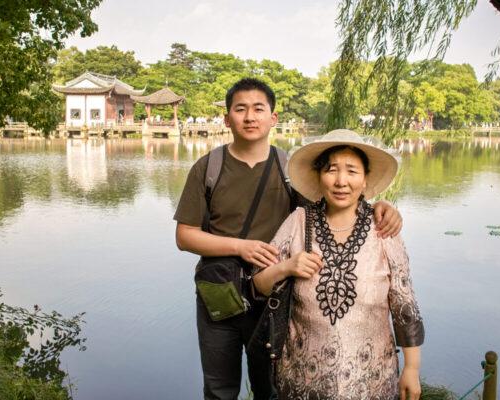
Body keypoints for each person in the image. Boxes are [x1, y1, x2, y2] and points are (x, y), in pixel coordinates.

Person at [174, 79, 404, 400]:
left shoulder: (288, 170)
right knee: (219, 389)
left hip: (275, 299)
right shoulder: (208, 167)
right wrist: (242, 246)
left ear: (274, 117)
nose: (250, 117)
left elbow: (331, 208)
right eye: (240, 109)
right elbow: (184, 237)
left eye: (259, 109)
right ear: (227, 119)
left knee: (270, 387)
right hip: (220, 295)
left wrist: (379, 205)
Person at [254, 129, 425, 400]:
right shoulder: (299, 221)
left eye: (352, 171)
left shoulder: (383, 228)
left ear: (365, 179)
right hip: (301, 380)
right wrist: (286, 267)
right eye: (331, 170)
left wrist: (412, 368)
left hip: (372, 381)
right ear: (319, 176)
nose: (341, 181)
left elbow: (404, 305)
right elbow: (259, 284)